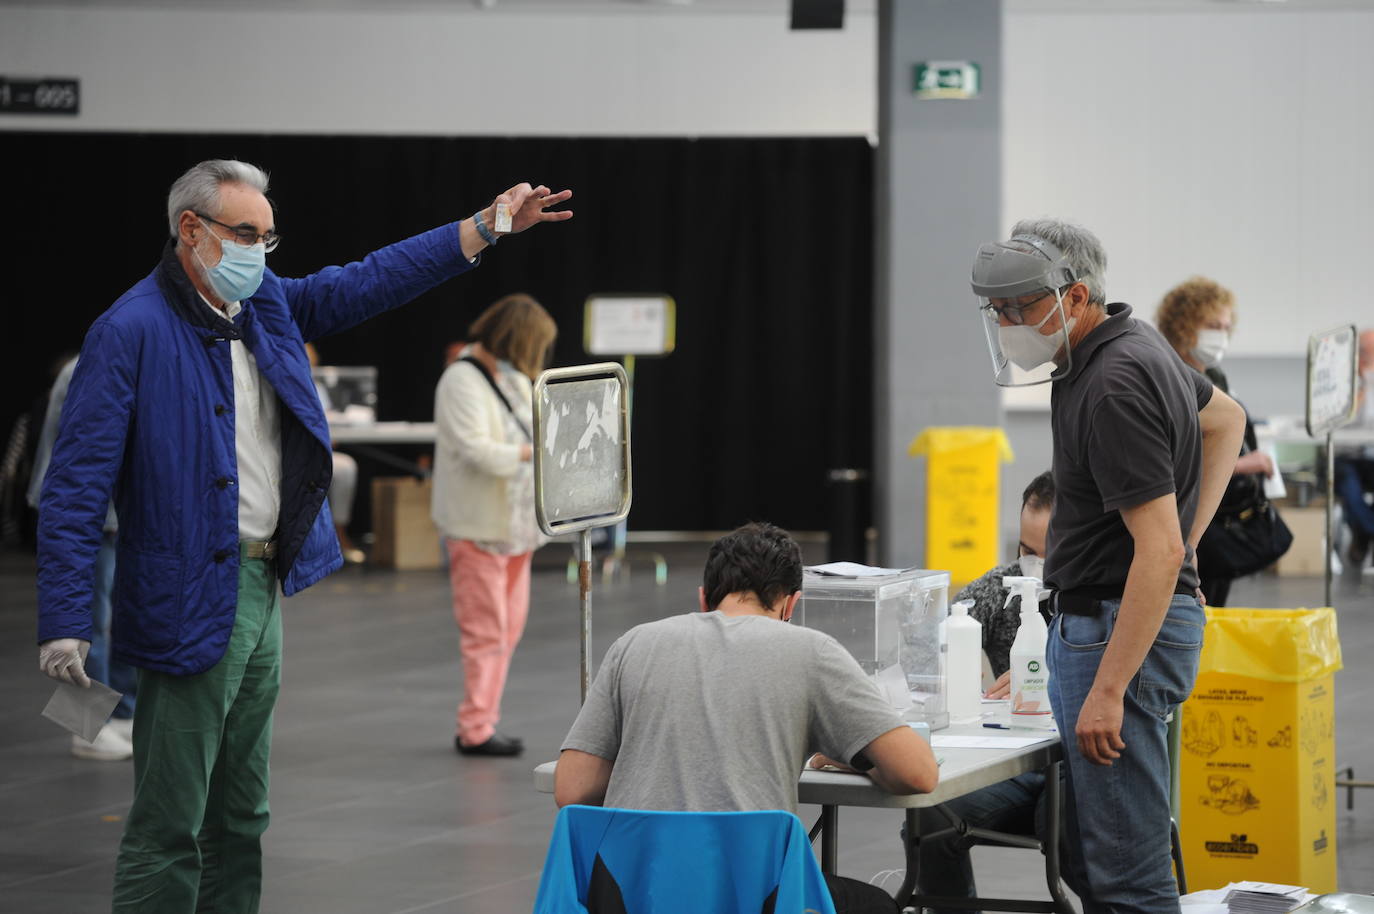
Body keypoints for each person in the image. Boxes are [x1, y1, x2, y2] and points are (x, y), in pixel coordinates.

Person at [35, 158, 572, 914]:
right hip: (181, 593)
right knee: (170, 824)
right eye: (245, 233)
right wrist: (64, 618)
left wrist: (484, 228)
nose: (260, 249)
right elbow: (75, 487)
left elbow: (371, 278)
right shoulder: (129, 332)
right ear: (191, 230)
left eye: (267, 236)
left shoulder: (265, 306)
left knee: (242, 816)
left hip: (260, 585)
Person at [968, 219, 1246, 913]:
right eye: (997, 310)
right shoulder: (1127, 344)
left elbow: (1160, 548)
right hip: (1119, 620)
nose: (1008, 323)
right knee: (1101, 858)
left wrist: (1108, 687)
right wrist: (1183, 542)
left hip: (1114, 629)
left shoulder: (1114, 383)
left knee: (1125, 873)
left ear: (1077, 295)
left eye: (1020, 307)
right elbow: (1227, 421)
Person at [555, 522, 939, 914]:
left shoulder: (633, 643)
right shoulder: (811, 651)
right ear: (792, 604)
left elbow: (572, 788)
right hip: (752, 896)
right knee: (877, 906)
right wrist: (855, 759)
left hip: (631, 892)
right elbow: (918, 773)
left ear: (704, 598)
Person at [910, 471, 1058, 911]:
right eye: (1026, 551)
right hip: (1013, 765)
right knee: (931, 818)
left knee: (1080, 833)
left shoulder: (1104, 598)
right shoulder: (997, 592)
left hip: (1078, 771)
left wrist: (1058, 674)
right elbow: (929, 654)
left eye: (1051, 554)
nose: (1035, 566)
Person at [432, 294, 557, 757]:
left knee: (507, 630)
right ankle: (476, 727)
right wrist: (535, 452)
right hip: (478, 527)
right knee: (487, 631)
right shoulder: (461, 380)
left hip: (516, 527)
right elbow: (477, 451)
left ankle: (483, 719)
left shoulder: (512, 378)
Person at [28, 355, 138, 761]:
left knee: (119, 619)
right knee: (88, 625)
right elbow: (85, 453)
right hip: (88, 515)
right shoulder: (94, 365)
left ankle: (124, 715)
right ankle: (85, 730)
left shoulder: (107, 362)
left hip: (113, 515)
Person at [1155, 277, 1276, 605]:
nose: (1220, 334)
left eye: (1225, 326)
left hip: (1220, 514)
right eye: (1212, 325)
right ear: (1184, 324)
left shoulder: (1214, 375)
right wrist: (1244, 464)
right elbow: (1176, 458)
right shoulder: (1168, 376)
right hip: (1189, 518)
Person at [1336, 329, 1374, 569]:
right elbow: (1340, 420)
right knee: (1349, 489)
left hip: (1369, 454)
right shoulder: (1339, 380)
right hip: (1343, 455)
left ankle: (1363, 533)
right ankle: (1368, 531)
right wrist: (1359, 390)